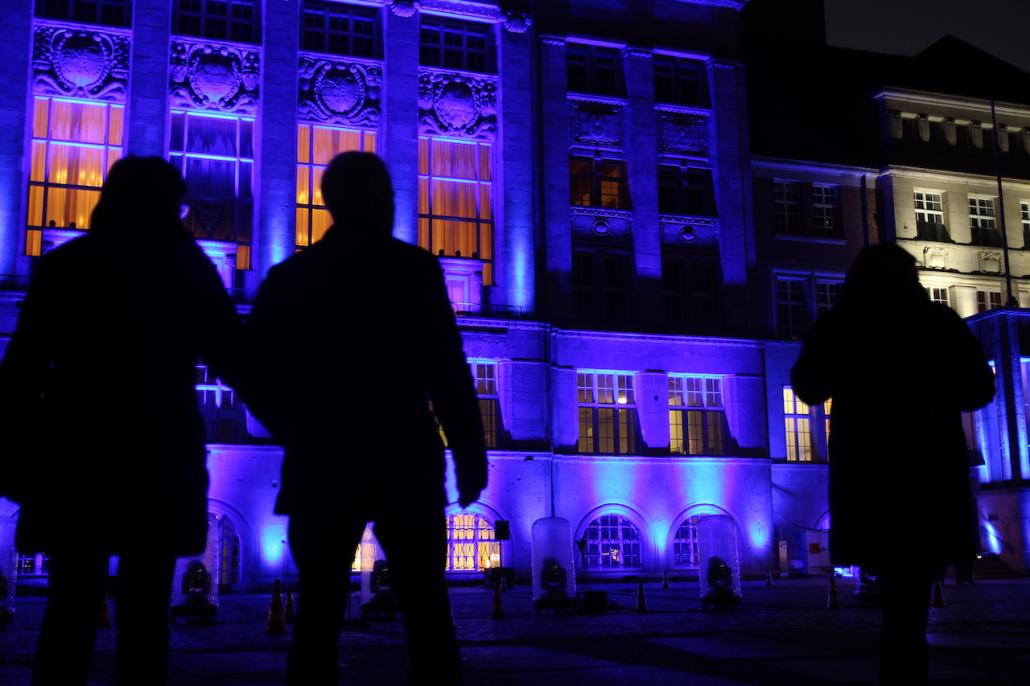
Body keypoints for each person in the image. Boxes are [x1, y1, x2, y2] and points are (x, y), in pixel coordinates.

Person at [245, 151, 488, 686]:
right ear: (382, 202)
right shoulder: (414, 270)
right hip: (402, 455)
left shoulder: (293, 276)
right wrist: (469, 452)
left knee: (317, 617)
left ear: (331, 203)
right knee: (428, 612)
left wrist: (295, 427)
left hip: (323, 460)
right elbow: (448, 369)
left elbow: (253, 369)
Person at [0, 156, 242, 685]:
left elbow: (20, 371)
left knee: (68, 612)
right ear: (168, 208)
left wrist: (13, 458)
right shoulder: (185, 267)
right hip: (158, 457)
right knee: (145, 618)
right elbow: (235, 359)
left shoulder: (69, 265)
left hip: (75, 456)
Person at [791, 244, 994, 686]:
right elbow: (979, 390)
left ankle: (899, 665)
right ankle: (906, 665)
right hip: (929, 470)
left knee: (895, 589)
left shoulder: (843, 325)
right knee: (913, 587)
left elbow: (806, 385)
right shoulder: (938, 323)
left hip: (868, 475)